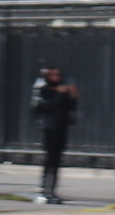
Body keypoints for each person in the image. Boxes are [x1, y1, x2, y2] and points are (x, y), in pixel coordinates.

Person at [30, 64, 79, 203]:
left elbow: (70, 107)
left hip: (61, 126)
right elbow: (42, 105)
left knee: (57, 160)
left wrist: (73, 96)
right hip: (49, 127)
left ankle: (52, 190)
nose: (55, 78)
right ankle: (45, 190)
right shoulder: (42, 88)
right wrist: (57, 92)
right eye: (52, 75)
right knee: (50, 159)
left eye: (57, 75)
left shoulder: (61, 89)